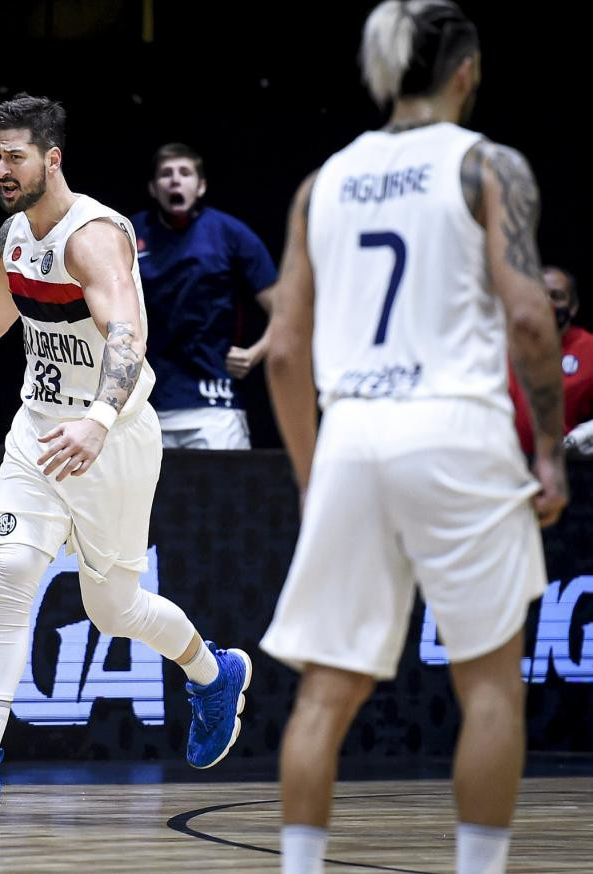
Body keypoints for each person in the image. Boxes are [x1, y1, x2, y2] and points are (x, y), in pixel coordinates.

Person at [0, 94, 252, 818]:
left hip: (111, 439)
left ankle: (212, 672)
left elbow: (126, 334)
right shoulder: (12, 235)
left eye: (16, 156)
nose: (2, 168)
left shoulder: (91, 236)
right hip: (37, 431)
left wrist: (98, 418)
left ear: (51, 158)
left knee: (113, 608)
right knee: (5, 574)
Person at [258, 3, 568, 873]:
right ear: (465, 70)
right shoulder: (487, 164)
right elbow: (530, 318)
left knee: (325, 692)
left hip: (354, 426)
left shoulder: (321, 182)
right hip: (456, 425)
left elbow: (284, 351)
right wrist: (547, 449)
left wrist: (317, 475)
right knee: (489, 687)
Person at [131, 143, 277, 449]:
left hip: (216, 408)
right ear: (153, 188)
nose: (175, 180)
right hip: (144, 408)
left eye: (185, 173)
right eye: (166, 174)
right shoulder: (128, 234)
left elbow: (285, 311)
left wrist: (256, 353)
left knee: (225, 497)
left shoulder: (230, 233)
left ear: (200, 187)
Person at [509, 266, 593, 456]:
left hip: (568, 467)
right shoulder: (502, 346)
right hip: (506, 466)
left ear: (573, 308)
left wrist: (583, 436)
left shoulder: (589, 349)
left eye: (556, 296)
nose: (546, 303)